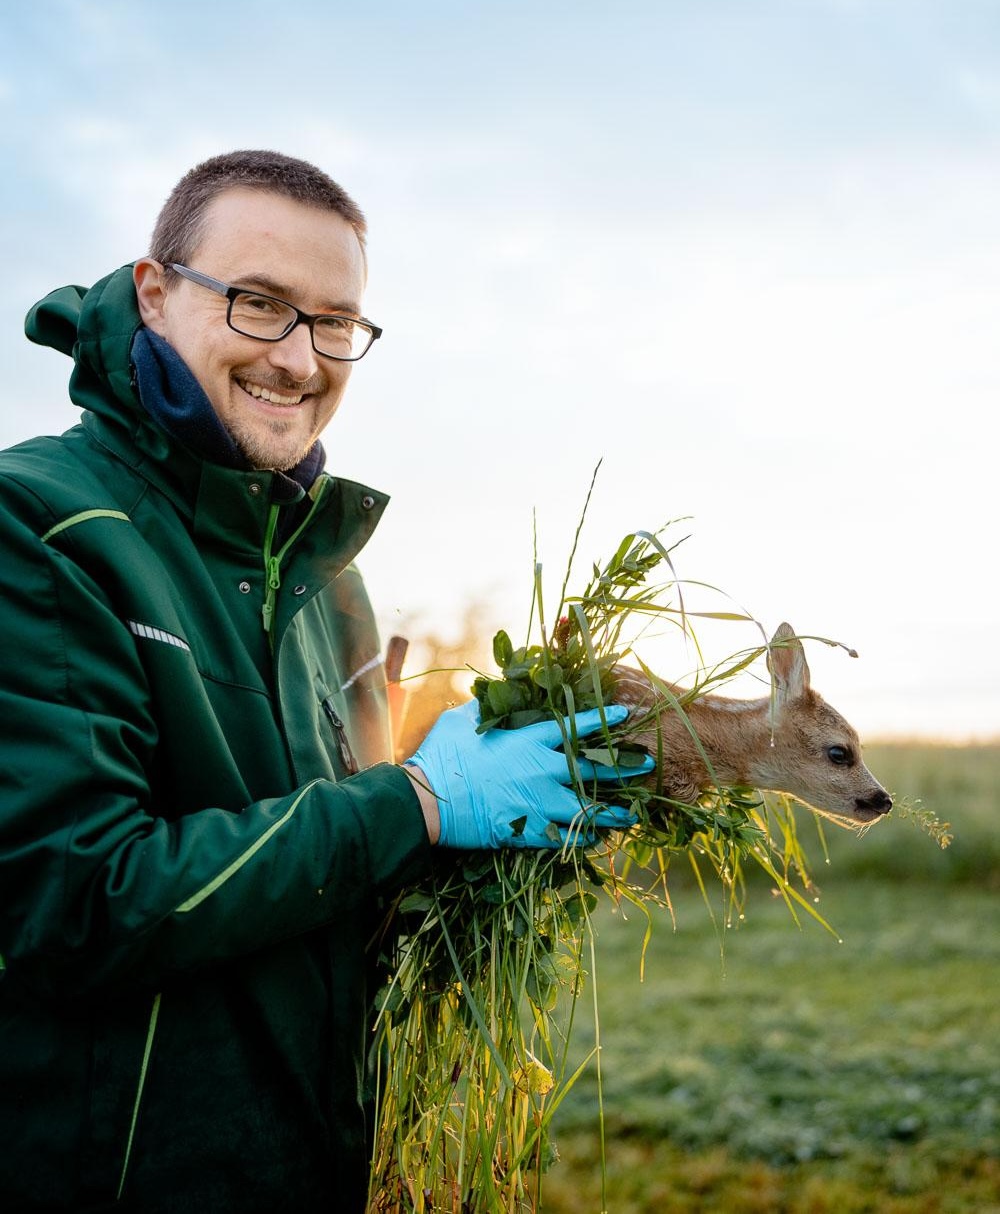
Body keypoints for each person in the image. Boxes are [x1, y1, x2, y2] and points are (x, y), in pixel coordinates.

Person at [0, 150, 642, 1213]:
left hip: (305, 1164)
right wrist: (416, 802)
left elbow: (331, 875)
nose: (300, 359)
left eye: (335, 322)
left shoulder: (329, 580)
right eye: (259, 304)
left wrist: (465, 851)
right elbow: (71, 904)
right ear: (155, 293)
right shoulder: (38, 524)